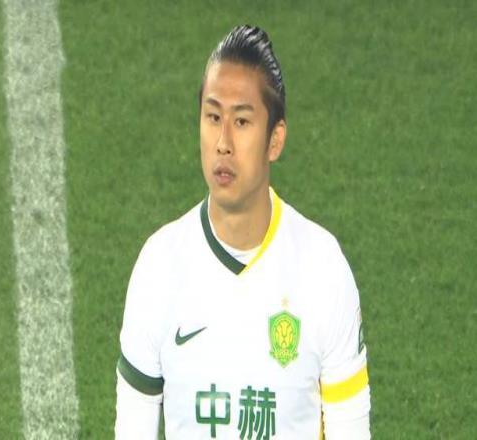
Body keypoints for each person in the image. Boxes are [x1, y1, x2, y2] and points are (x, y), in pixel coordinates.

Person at [115, 25, 371, 439]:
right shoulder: (159, 267)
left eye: (242, 121)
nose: (223, 142)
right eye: (213, 117)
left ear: (275, 140)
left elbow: (351, 430)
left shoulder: (322, 269)